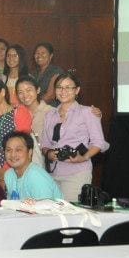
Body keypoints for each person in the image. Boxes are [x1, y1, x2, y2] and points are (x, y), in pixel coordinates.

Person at [41, 72, 109, 201]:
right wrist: (49, 153)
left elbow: (98, 142)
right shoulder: (50, 115)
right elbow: (45, 144)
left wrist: (83, 157)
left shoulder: (87, 112)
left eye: (68, 87)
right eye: (59, 87)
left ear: (77, 90)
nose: (63, 91)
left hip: (77, 172)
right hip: (53, 173)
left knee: (72, 215)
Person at [3, 131, 62, 200]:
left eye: (18, 150)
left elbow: (46, 209)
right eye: (8, 150)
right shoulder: (9, 174)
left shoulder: (36, 176)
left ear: (30, 152)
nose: (13, 154)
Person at [15, 75, 51, 167]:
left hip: (48, 162)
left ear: (38, 90)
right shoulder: (15, 113)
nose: (25, 95)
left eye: (28, 90)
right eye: (20, 92)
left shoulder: (50, 112)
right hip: (24, 163)